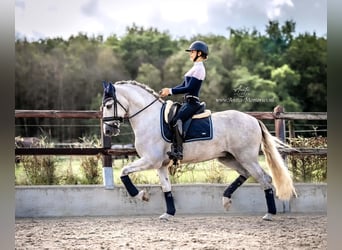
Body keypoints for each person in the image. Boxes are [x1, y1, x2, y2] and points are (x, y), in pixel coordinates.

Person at [159, 40, 209, 161]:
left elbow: (190, 88)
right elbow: (182, 86)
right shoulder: (194, 68)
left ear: (199, 53)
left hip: (192, 103)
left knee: (177, 120)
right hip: (187, 101)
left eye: (192, 52)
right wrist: (168, 91)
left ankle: (179, 151)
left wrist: (170, 91)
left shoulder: (199, 69)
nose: (190, 54)